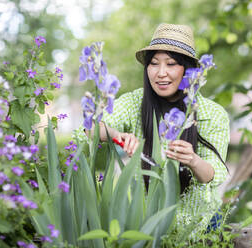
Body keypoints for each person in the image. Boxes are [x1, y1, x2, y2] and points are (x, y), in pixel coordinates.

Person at [98, 23, 230, 236]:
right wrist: (116, 135)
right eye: (154, 64)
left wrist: (193, 160)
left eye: (171, 64)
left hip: (196, 227)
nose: (161, 73)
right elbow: (91, 129)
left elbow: (212, 175)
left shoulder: (211, 113)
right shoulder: (135, 101)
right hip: (144, 225)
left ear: (188, 70)